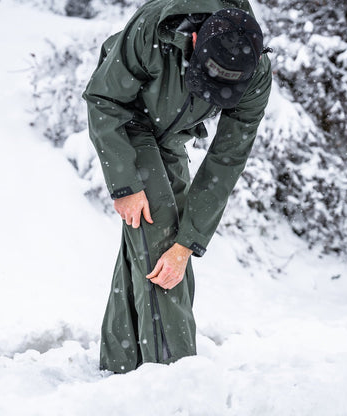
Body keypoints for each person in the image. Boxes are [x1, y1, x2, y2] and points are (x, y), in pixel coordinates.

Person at [83, 0, 272, 374]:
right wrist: (125, 185)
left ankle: (120, 366)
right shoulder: (155, 28)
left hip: (172, 136)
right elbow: (105, 98)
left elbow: (225, 162)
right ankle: (172, 376)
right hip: (128, 119)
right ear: (196, 40)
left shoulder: (255, 74)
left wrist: (188, 244)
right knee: (159, 242)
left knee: (163, 249)